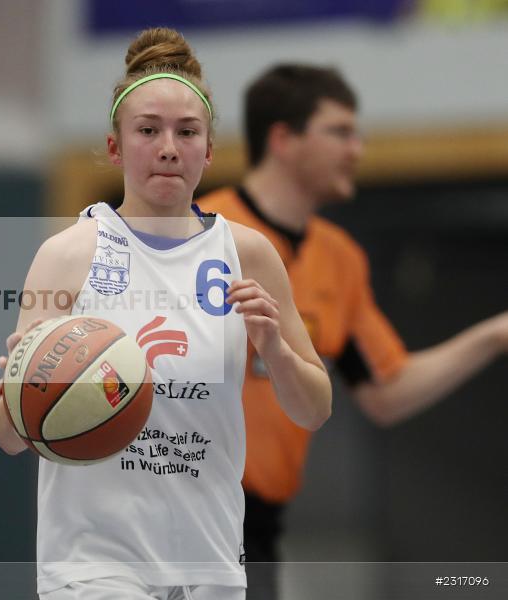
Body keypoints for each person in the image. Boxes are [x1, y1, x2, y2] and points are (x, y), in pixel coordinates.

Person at [0, 29, 332, 600]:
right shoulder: (70, 254)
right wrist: (20, 393)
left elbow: (315, 409)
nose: (169, 146)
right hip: (92, 563)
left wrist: (273, 348)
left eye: (187, 132)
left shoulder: (246, 254)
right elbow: (6, 437)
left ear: (209, 150)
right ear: (116, 146)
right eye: (148, 130)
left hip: (210, 559)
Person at [196, 64, 508, 600]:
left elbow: (386, 390)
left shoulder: (340, 261)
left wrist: (496, 336)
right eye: (340, 131)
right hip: (179, 500)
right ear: (283, 139)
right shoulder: (198, 230)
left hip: (259, 523)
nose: (357, 149)